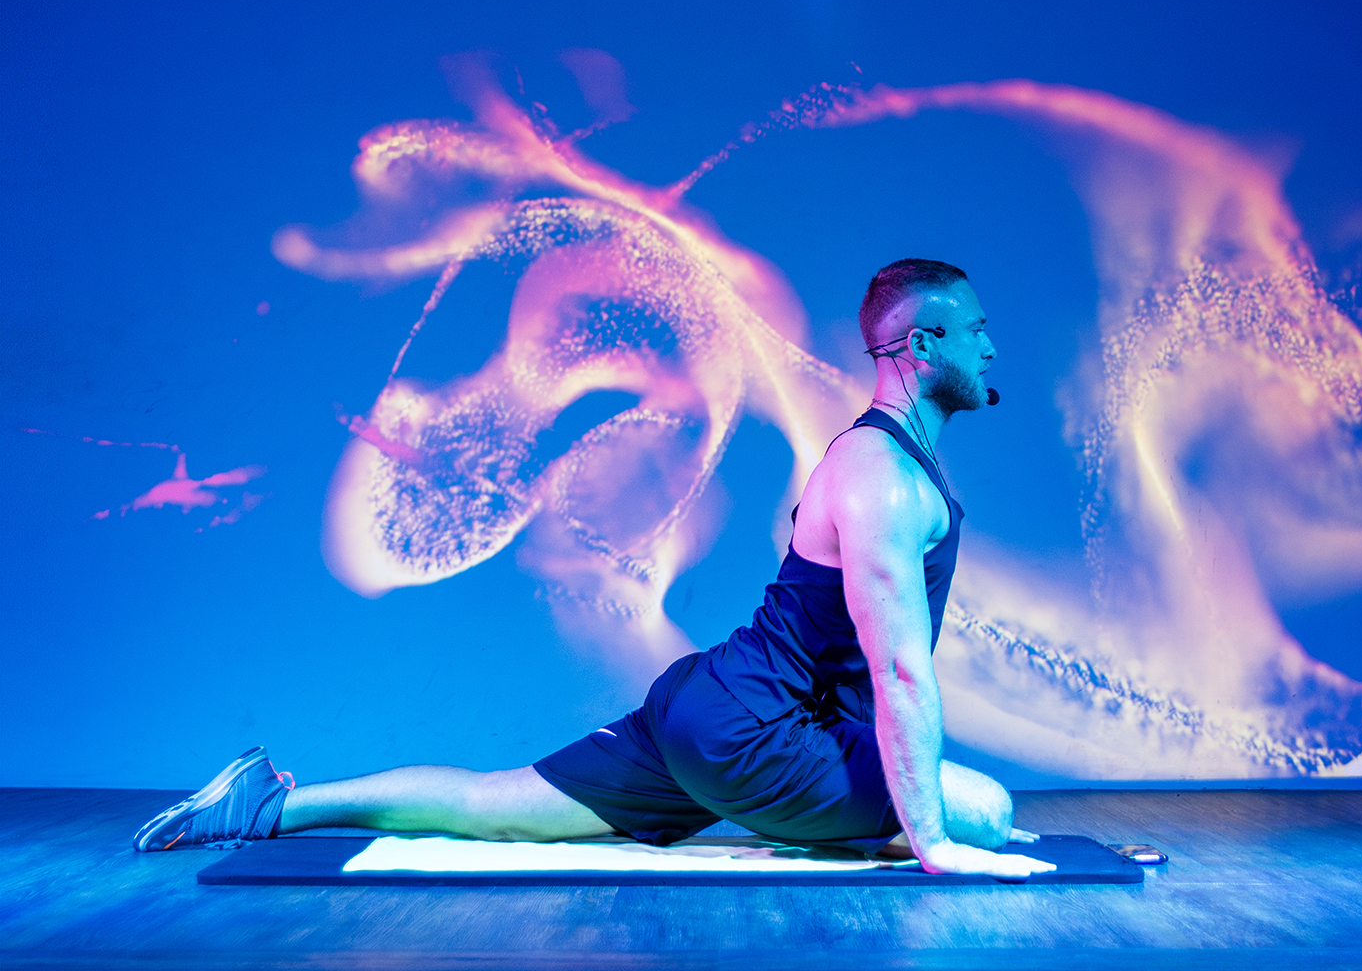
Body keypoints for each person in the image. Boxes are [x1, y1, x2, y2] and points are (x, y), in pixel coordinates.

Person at [134, 259, 1055, 880]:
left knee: (494, 808)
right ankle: (888, 825)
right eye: (975, 329)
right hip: (758, 734)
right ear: (922, 346)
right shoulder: (884, 478)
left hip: (711, 707)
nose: (992, 347)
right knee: (982, 807)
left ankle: (266, 804)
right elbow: (898, 668)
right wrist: (932, 839)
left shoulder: (882, 463)